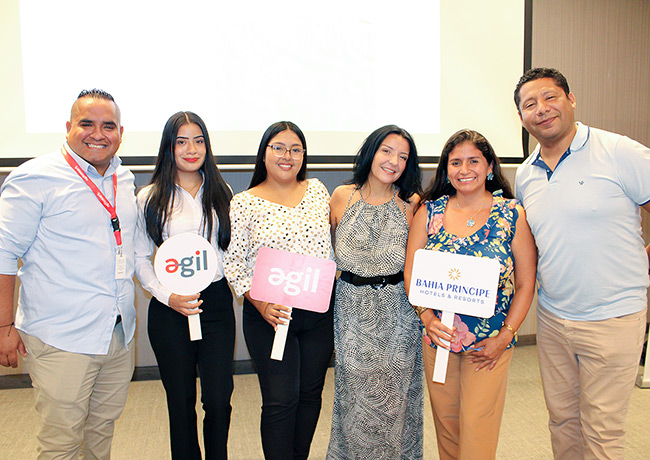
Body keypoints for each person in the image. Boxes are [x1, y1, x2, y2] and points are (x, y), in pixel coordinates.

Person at [514, 67, 650, 460]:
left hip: (613, 318)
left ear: (571, 100)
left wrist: (642, 263)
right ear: (521, 118)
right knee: (562, 422)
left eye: (550, 97)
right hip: (554, 320)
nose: (542, 109)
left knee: (602, 433)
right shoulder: (525, 174)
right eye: (530, 104)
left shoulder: (619, 151)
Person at [0, 89, 137, 459]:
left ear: (120, 132)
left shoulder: (124, 178)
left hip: (117, 333)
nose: (98, 134)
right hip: (62, 337)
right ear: (68, 127)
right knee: (61, 443)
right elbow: (3, 253)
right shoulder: (35, 178)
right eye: (86, 124)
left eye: (108, 126)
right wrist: (3, 326)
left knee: (101, 432)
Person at [404, 129, 537, 460]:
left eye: (473, 161)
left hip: (489, 343)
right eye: (456, 162)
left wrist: (506, 335)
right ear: (446, 169)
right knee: (448, 426)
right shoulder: (429, 212)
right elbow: (412, 273)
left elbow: (525, 283)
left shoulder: (512, 214)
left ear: (489, 167)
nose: (464, 169)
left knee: (478, 427)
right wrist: (427, 318)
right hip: (438, 338)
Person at [223, 121, 333, 460]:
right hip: (269, 316)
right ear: (264, 153)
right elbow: (234, 263)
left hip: (318, 313)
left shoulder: (317, 190)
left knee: (310, 396)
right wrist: (260, 304)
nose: (288, 156)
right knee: (280, 400)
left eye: (296, 149)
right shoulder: (244, 202)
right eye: (279, 148)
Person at [134, 111, 234, 460]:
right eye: (181, 142)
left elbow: (230, 251)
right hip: (170, 308)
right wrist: (168, 297)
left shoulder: (222, 192)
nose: (191, 150)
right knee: (180, 403)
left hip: (215, 304)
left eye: (199, 141)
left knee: (219, 400)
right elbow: (139, 258)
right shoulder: (149, 196)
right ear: (169, 147)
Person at [326, 125, 424, 459]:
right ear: (371, 151)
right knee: (354, 401)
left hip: (398, 317)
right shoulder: (342, 196)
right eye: (387, 151)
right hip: (351, 314)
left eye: (403, 156)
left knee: (396, 403)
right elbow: (324, 254)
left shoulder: (412, 203)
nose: (394, 161)